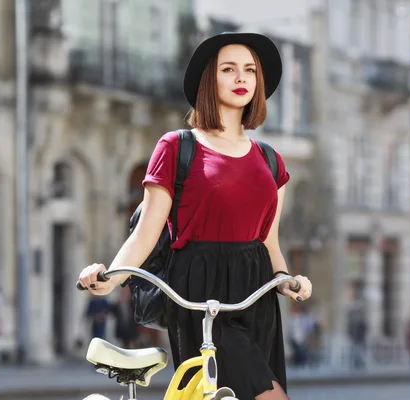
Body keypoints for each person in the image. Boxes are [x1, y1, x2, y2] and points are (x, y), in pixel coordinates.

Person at [78, 32, 313, 400]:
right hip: (202, 296)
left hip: (257, 298)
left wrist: (286, 280)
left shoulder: (271, 160)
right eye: (229, 69)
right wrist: (109, 280)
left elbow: (269, 243)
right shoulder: (177, 147)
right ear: (209, 78)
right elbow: (145, 233)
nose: (241, 78)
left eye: (250, 70)